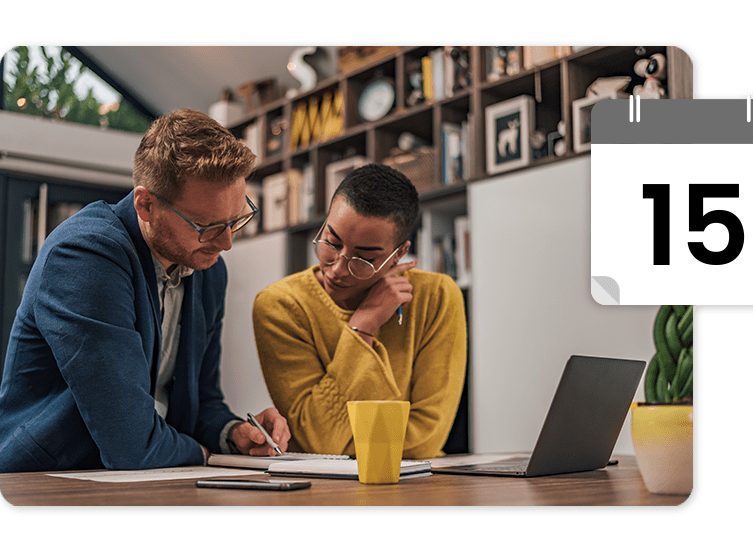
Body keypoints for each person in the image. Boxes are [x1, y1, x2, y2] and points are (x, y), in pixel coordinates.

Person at [0, 108, 290, 473]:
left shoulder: (208, 267)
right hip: (49, 481)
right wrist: (203, 453)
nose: (228, 242)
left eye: (236, 220)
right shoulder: (86, 255)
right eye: (207, 225)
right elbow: (129, 444)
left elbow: (202, 400)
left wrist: (234, 434)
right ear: (146, 204)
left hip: (149, 475)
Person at [252, 163, 466, 460]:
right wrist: (362, 327)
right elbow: (317, 441)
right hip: (323, 491)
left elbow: (426, 440)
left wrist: (344, 446)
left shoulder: (437, 297)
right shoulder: (281, 305)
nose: (337, 268)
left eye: (364, 258)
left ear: (399, 253)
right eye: (331, 242)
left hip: (421, 486)